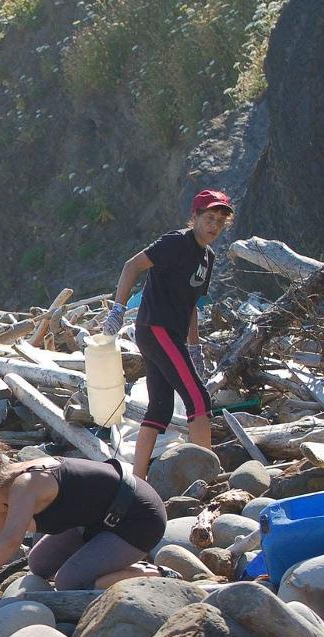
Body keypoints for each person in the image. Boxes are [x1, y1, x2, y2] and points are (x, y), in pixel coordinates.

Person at [0, 422, 167, 606]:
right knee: (39, 564)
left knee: (69, 583)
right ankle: (108, 562)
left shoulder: (25, 484)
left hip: (137, 517)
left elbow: (10, 542)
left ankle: (155, 574)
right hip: (94, 521)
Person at [103, 189, 234, 478]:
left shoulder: (207, 257)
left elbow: (192, 306)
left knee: (160, 409)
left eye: (220, 221)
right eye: (209, 218)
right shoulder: (177, 242)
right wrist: (118, 309)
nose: (214, 225)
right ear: (195, 217)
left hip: (169, 333)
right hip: (155, 327)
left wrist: (195, 347)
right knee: (199, 400)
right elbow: (132, 265)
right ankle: (208, 476)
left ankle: (137, 479)